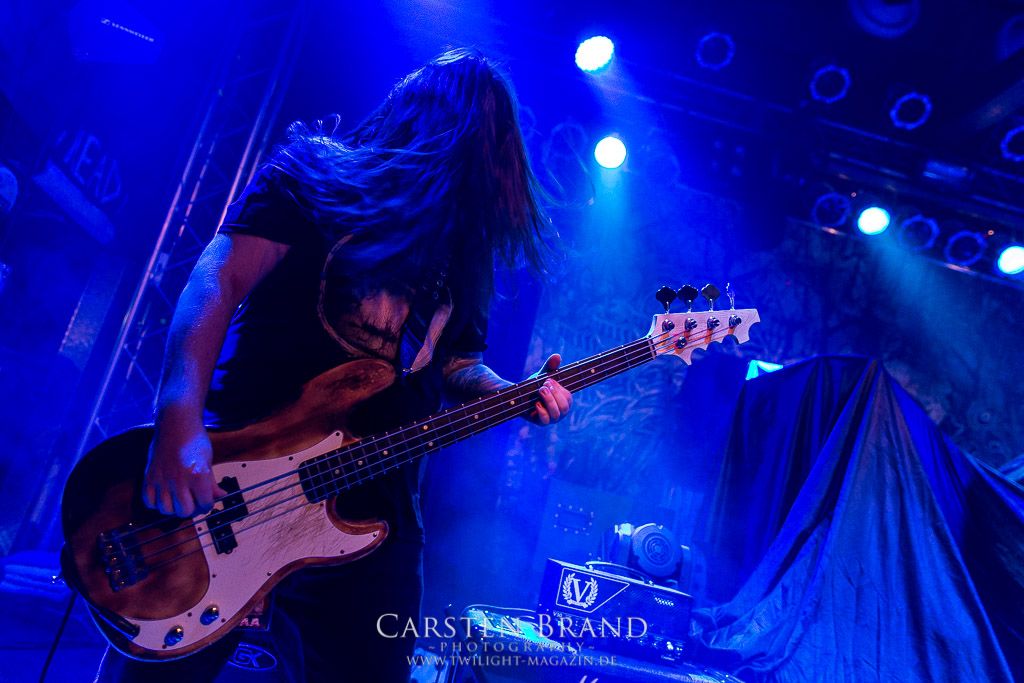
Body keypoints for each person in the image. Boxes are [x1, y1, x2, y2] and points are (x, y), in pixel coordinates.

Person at [94, 49, 572, 683]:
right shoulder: (312, 178)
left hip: (373, 510)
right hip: (239, 481)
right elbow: (216, 281)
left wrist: (514, 393)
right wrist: (178, 423)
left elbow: (457, 363)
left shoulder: (465, 248)